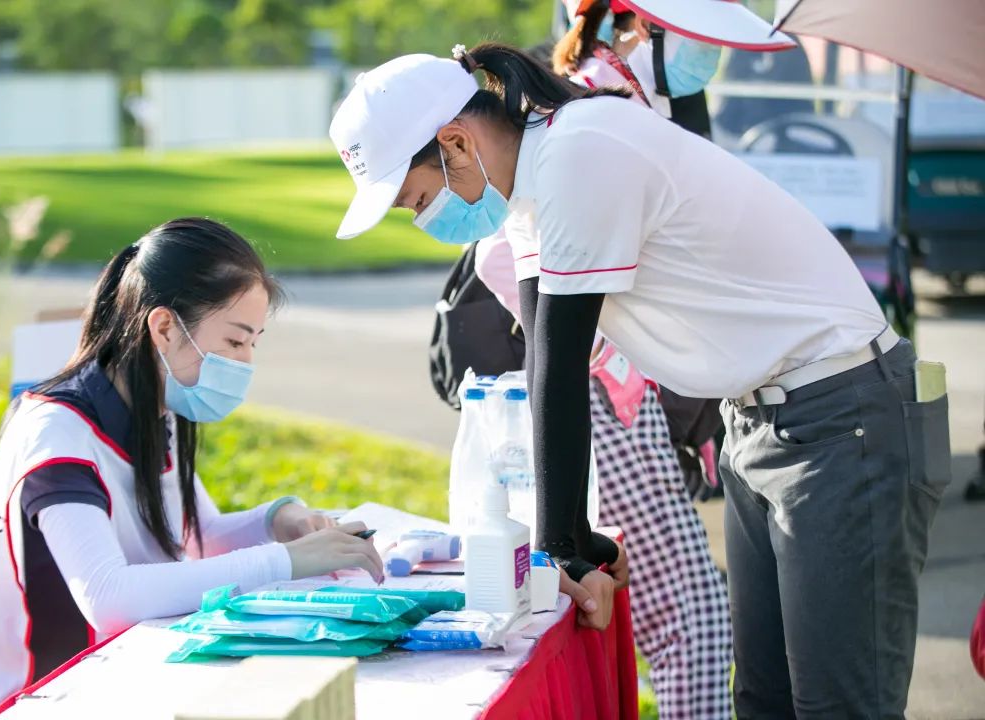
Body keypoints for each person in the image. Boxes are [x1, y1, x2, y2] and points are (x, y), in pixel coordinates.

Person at [329, 40, 951, 718]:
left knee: (837, 707)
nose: (423, 218)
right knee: (763, 700)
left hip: (841, 413)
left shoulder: (579, 152)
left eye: (417, 198)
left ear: (454, 141)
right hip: (761, 418)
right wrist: (572, 537)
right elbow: (543, 360)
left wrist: (559, 552)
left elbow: (563, 366)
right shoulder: (533, 187)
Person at [0, 218, 384, 720]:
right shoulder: (57, 434)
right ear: (164, 328)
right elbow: (107, 596)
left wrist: (280, 519)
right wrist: (285, 560)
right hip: (20, 704)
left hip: (100, 680)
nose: (245, 363)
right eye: (235, 342)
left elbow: (197, 536)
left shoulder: (151, 406)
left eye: (254, 343)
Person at [476, 234, 732, 720]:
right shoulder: (533, 205)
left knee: (650, 613)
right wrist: (604, 358)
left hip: (608, 404)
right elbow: (496, 257)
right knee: (690, 621)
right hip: (610, 407)